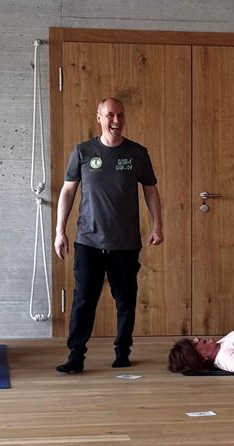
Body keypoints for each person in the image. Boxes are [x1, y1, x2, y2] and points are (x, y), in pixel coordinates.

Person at [55, 97, 163, 374]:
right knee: (83, 301)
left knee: (125, 300)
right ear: (99, 118)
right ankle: (75, 356)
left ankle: (122, 352)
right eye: (110, 115)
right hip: (88, 242)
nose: (116, 121)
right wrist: (59, 231)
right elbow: (68, 191)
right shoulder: (82, 151)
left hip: (125, 244)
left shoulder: (137, 153)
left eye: (120, 115)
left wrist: (157, 226)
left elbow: (150, 190)